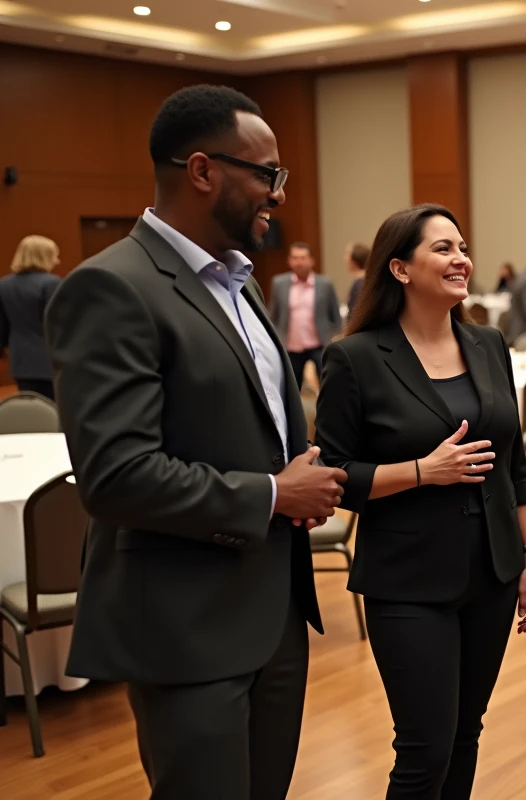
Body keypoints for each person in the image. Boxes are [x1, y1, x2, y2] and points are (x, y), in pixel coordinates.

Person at [43, 84, 346, 799]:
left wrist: (293, 477)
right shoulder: (111, 288)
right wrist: (275, 493)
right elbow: (116, 475)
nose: (278, 193)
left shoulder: (240, 287)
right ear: (203, 170)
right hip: (185, 626)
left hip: (271, 614)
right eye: (266, 174)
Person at [316, 204, 526, 799]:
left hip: (492, 572)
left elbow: (513, 461)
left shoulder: (488, 343)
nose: (461, 259)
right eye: (442, 249)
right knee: (425, 749)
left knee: (466, 735)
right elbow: (334, 475)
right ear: (399, 268)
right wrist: (422, 471)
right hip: (408, 580)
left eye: (462, 247)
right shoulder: (357, 358)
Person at [268, 242, 343, 386]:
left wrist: (334, 339)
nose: (299, 262)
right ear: (289, 261)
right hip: (291, 347)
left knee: (328, 386)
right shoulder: (279, 283)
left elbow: (335, 315)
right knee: (292, 388)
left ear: (311, 260)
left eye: (303, 258)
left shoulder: (325, 283)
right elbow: (273, 315)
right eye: (295, 258)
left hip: (320, 345)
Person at [0, 235, 62, 399]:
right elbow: (58, 323)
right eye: (54, 255)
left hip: (19, 361)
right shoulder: (51, 283)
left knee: (32, 411)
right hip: (49, 361)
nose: (57, 261)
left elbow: (2, 327)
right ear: (43, 256)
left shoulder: (4, 285)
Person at [346, 240, 369, 318]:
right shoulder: (367, 280)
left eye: (347, 255)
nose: (345, 259)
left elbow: (355, 313)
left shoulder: (360, 284)